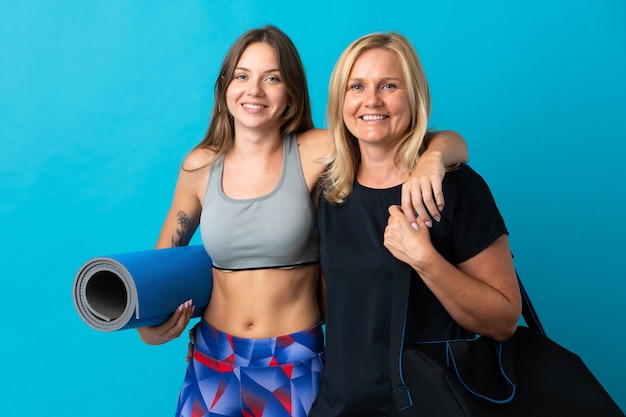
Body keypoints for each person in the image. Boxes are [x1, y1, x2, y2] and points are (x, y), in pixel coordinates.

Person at [136, 26, 468, 417]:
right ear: (224, 86)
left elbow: (442, 141)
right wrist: (150, 329)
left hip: (294, 360)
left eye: (271, 78)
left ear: (291, 92)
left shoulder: (320, 150)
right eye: (242, 76)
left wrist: (432, 160)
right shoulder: (200, 165)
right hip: (214, 358)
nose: (254, 90)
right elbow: (157, 273)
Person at [308, 32, 523, 416]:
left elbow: (504, 321)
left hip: (430, 405)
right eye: (357, 86)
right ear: (341, 99)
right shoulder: (329, 192)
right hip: (339, 406)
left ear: (413, 97)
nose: (371, 100)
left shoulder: (455, 188)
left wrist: (426, 260)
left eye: (389, 86)